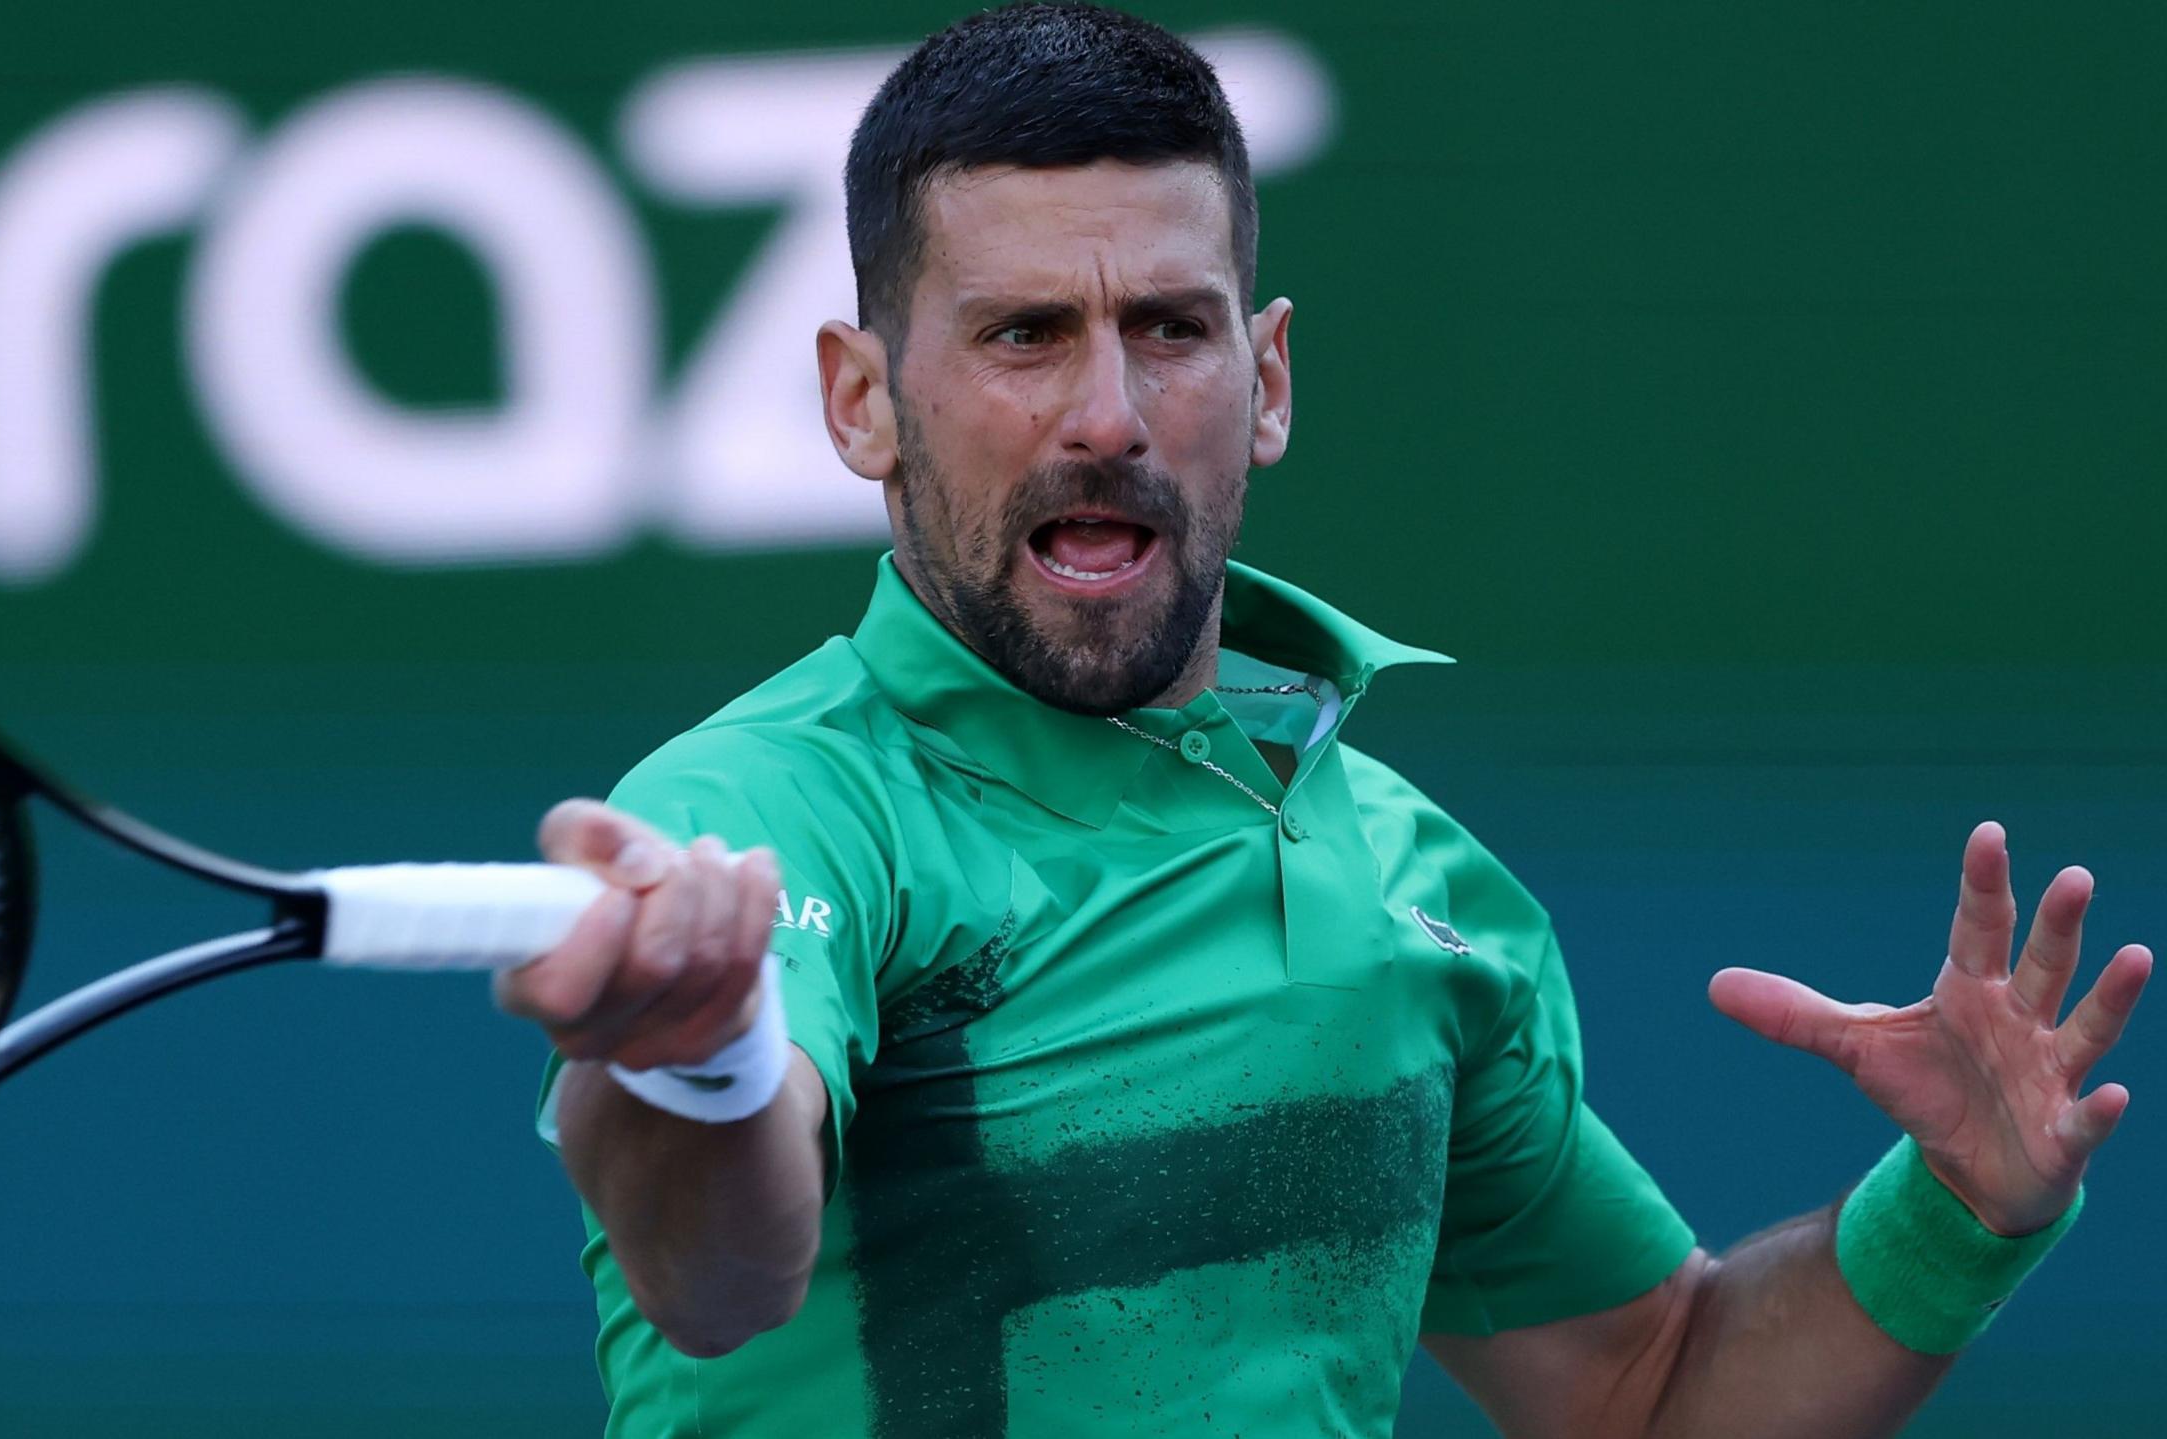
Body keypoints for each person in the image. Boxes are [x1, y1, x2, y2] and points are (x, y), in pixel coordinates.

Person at [499, 6, 2150, 1435]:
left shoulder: (1414, 883)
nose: (1107, 414)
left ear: (1267, 379)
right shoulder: (770, 808)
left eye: (1170, 328)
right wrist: (701, 1063)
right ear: (863, 398)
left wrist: (1953, 1218)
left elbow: (1647, 1389)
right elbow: (720, 1278)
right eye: (1022, 336)